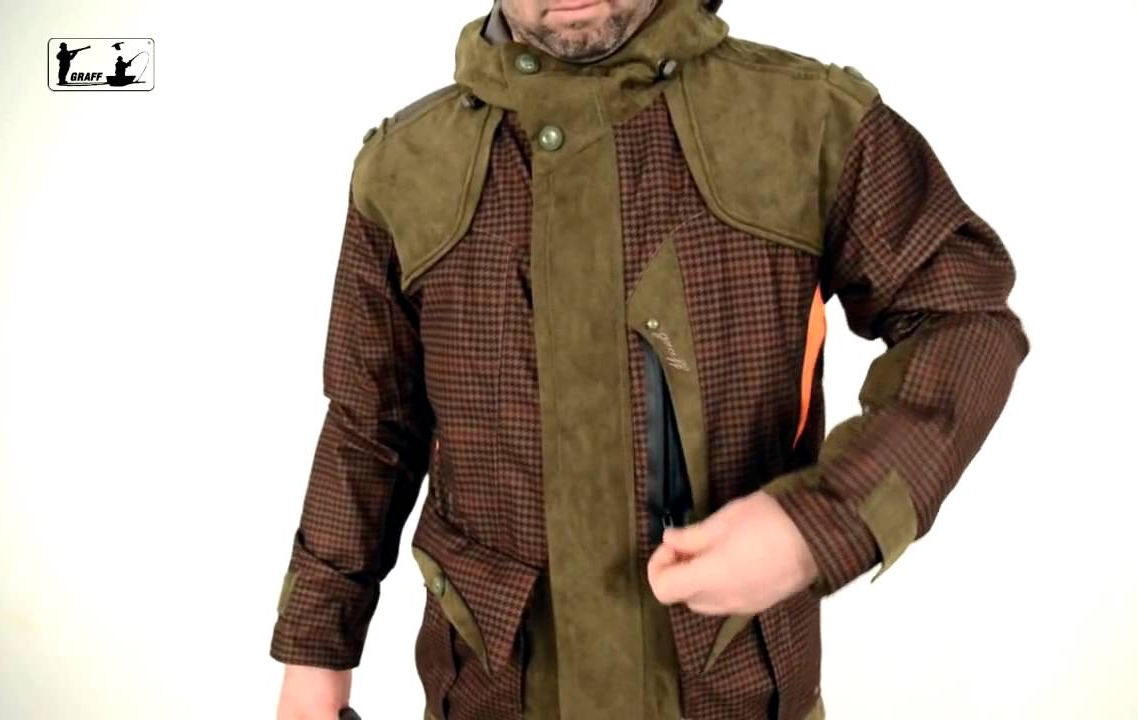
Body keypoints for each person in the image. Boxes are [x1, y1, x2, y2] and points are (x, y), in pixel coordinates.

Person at [270, 1, 1030, 718]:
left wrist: (818, 525)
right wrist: (314, 652)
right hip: (492, 689)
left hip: (730, 689)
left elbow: (962, 317)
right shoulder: (404, 170)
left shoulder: (807, 122)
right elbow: (371, 427)